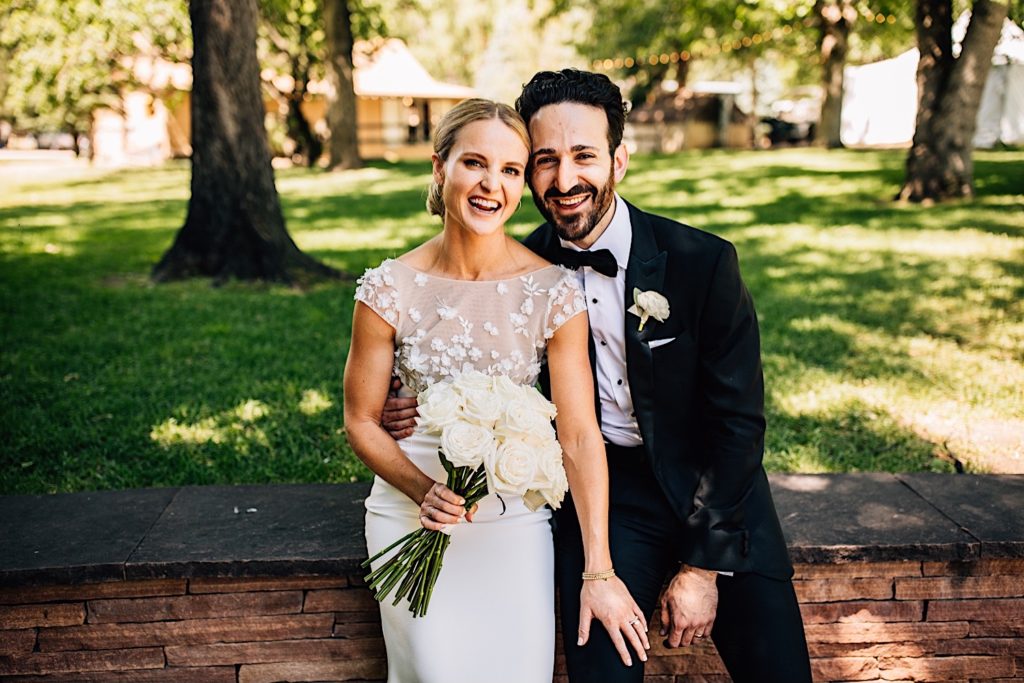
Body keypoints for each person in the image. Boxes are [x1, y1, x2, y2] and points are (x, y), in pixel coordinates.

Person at [383, 71, 813, 683]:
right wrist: (413, 398)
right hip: (604, 501)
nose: (564, 182)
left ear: (620, 160)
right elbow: (465, 347)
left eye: (584, 156)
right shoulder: (518, 270)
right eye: (544, 161)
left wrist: (701, 568)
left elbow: (738, 426)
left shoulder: (703, 262)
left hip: (715, 494)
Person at [343, 98, 649, 683]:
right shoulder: (387, 288)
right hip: (411, 513)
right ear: (440, 167)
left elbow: (581, 435)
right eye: (474, 164)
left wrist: (598, 568)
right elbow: (360, 419)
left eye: (511, 170)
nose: (492, 185)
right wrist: (423, 488)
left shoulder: (553, 291)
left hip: (513, 524)